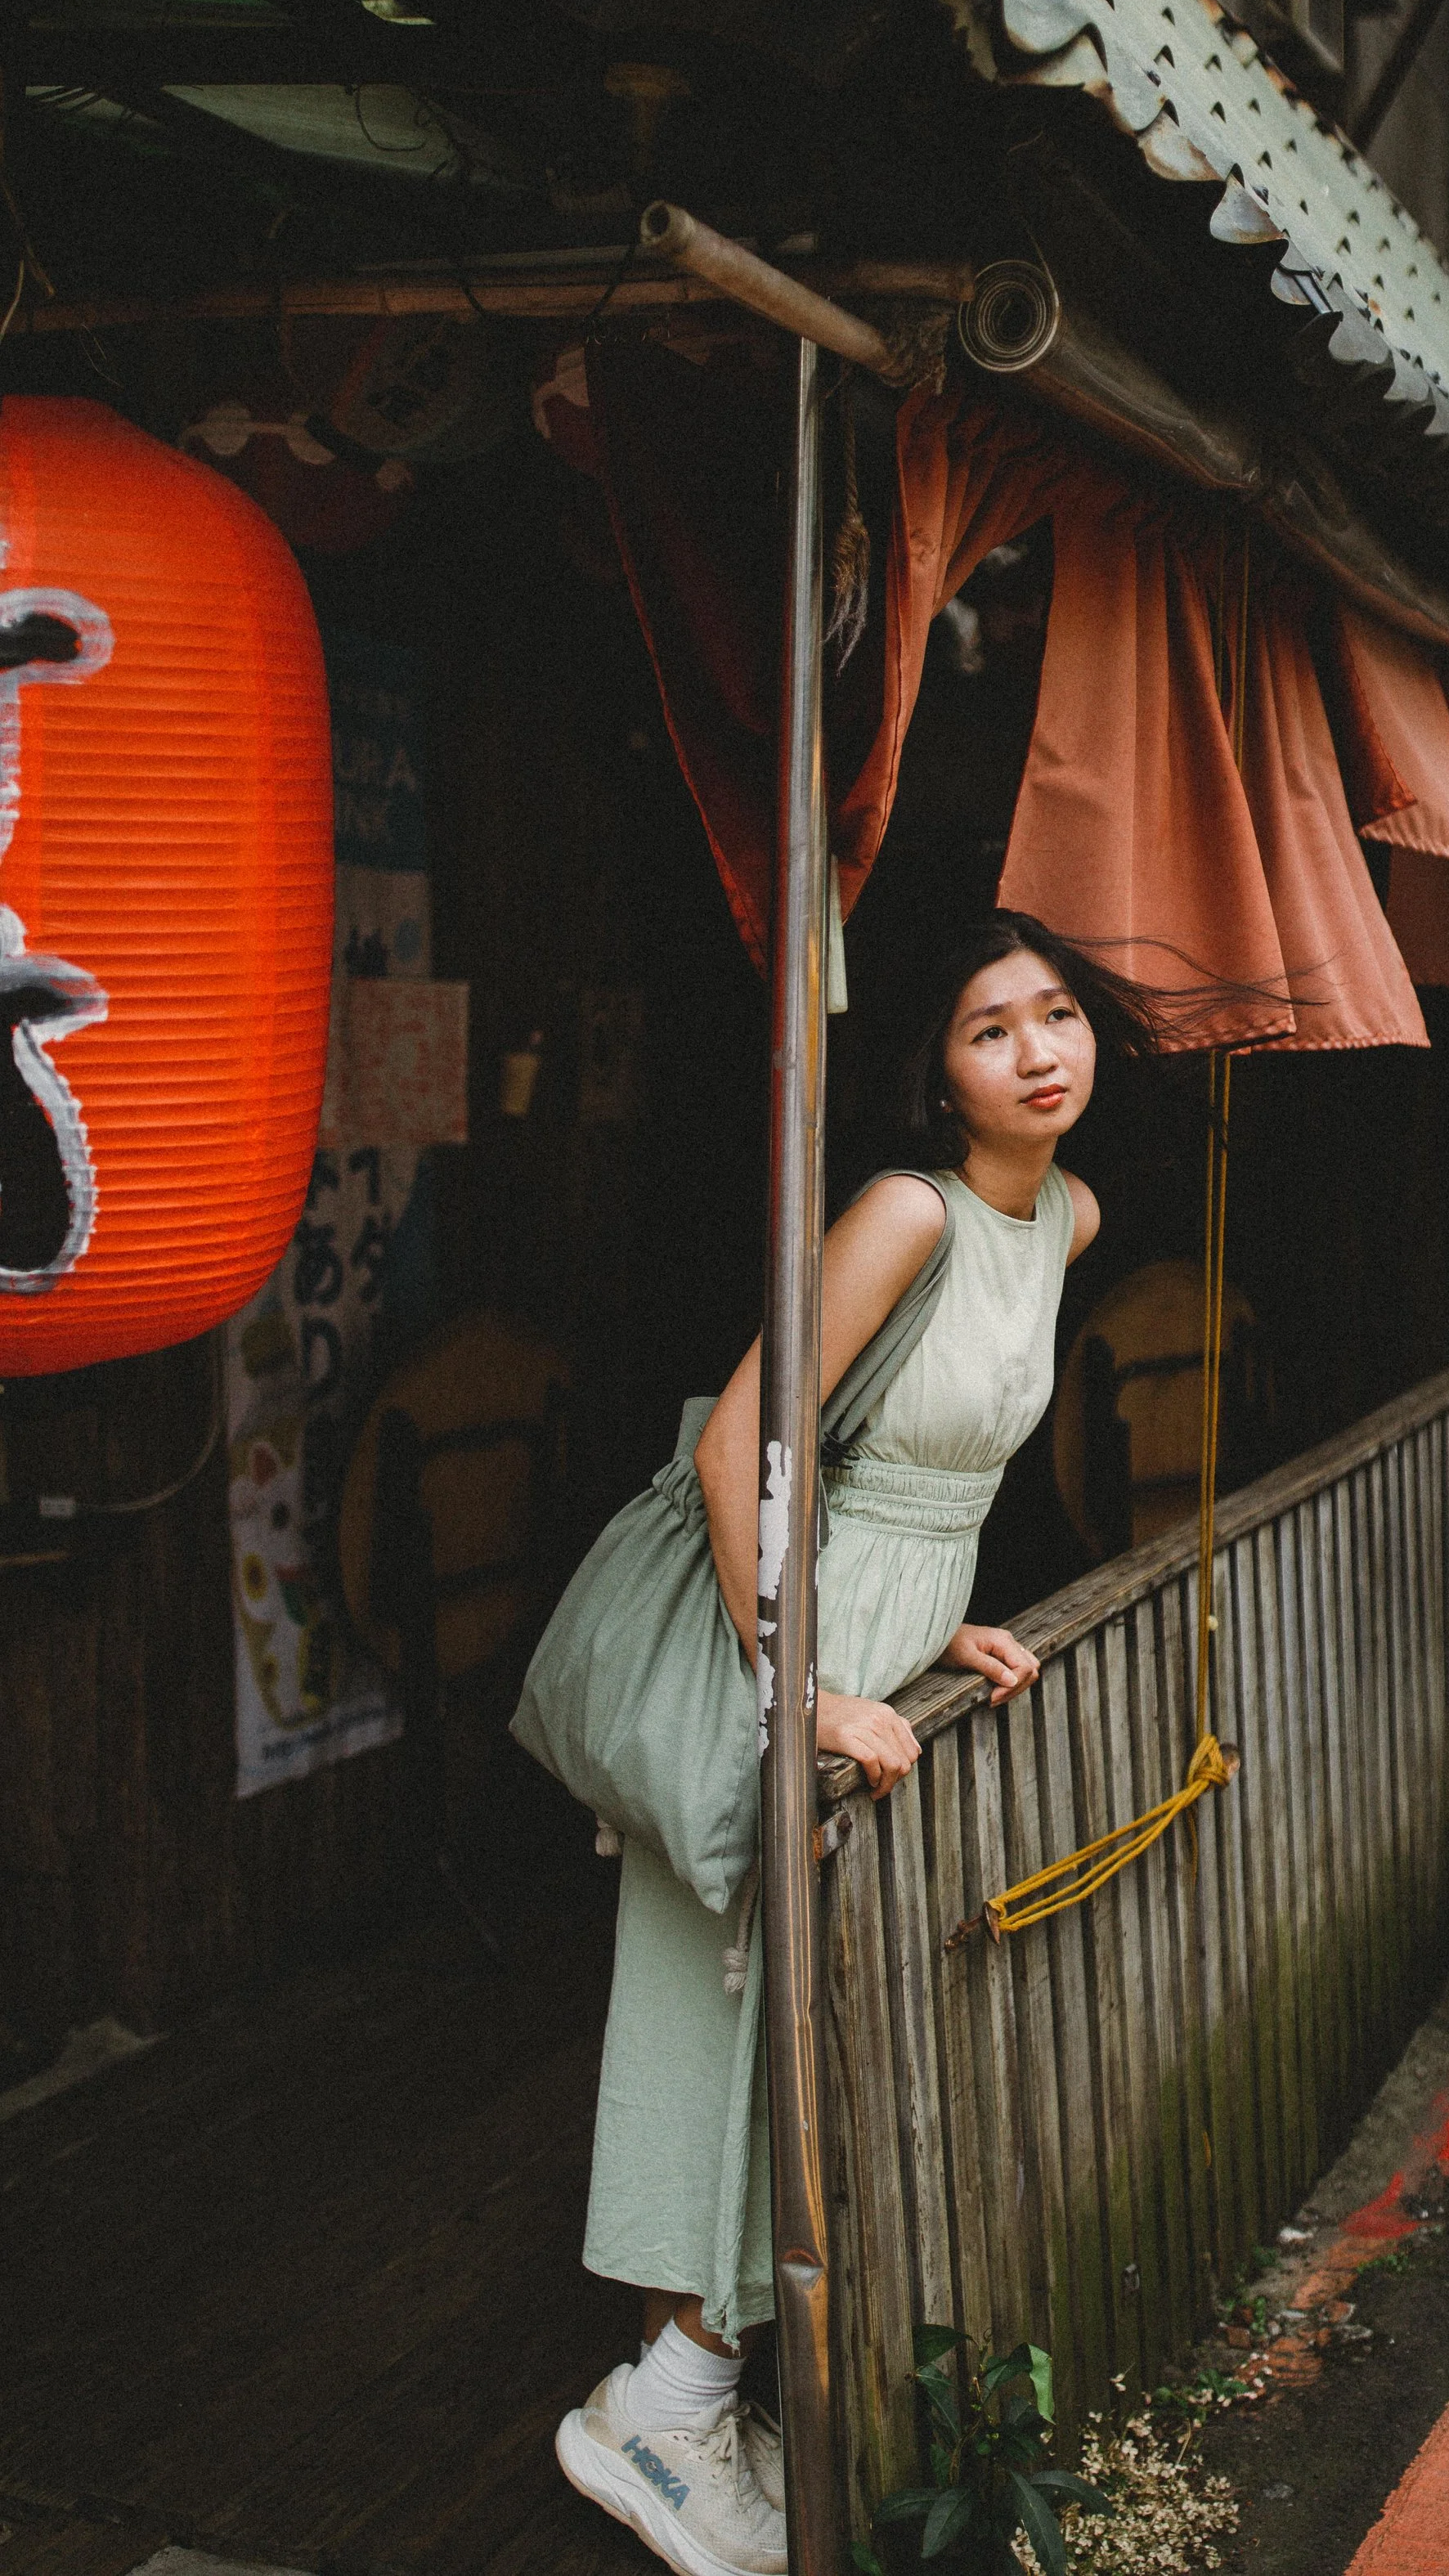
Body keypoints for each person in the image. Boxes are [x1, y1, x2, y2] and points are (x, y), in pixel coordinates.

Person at [554, 911, 1161, 2576]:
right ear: (935, 1067)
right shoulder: (906, 1209)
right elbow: (747, 1442)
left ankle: (694, 2387)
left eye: (1056, 1014)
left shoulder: (1071, 1214)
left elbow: (931, 1464)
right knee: (722, 2015)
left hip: (875, 1639)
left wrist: (932, 1623)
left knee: (795, 2040)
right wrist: (806, 1678)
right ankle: (656, 2412)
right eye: (989, 1028)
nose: (1038, 1050)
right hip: (772, 1653)